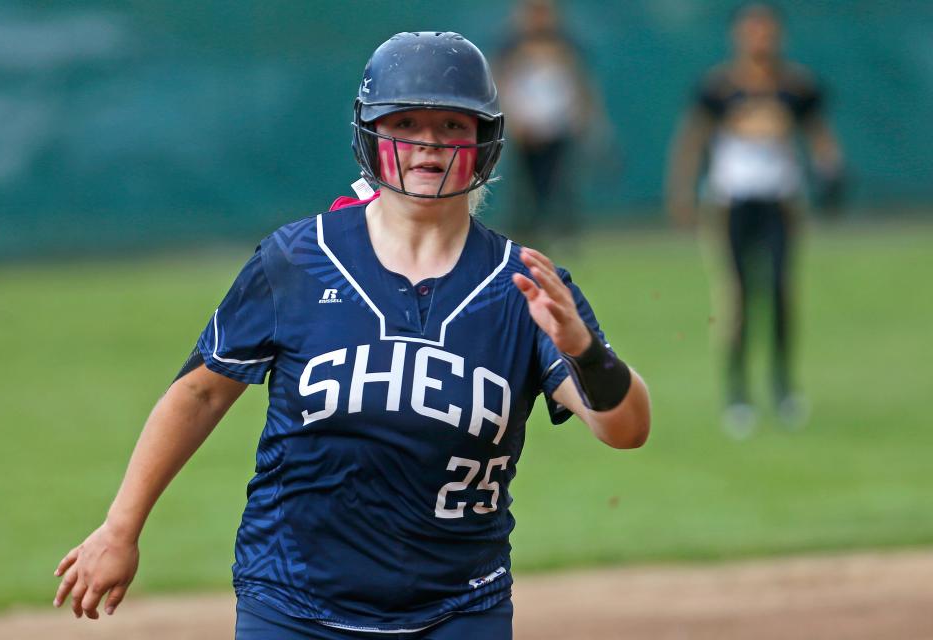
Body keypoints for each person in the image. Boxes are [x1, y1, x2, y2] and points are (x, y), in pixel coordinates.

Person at [53, 31, 651, 639]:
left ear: (485, 142)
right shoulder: (295, 260)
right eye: (406, 122)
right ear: (370, 135)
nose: (429, 144)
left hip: (459, 610)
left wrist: (584, 351)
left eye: (453, 125)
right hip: (291, 603)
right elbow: (200, 394)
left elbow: (625, 429)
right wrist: (120, 528)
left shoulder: (525, 285)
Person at [665, 4, 843, 437]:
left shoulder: (795, 86)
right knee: (737, 297)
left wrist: (831, 168)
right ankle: (738, 393)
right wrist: (682, 190)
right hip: (732, 203)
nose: (760, 39)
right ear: (739, 36)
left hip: (780, 201)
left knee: (782, 290)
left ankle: (783, 387)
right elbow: (692, 140)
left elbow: (820, 136)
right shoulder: (720, 87)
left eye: (767, 31)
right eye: (752, 31)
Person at [494, 0, 611, 246]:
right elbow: (502, 87)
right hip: (527, 130)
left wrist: (583, 117)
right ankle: (526, 237)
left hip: (558, 127)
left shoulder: (567, 47)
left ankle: (564, 236)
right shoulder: (511, 48)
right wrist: (512, 121)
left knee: (559, 184)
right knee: (527, 187)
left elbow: (581, 85)